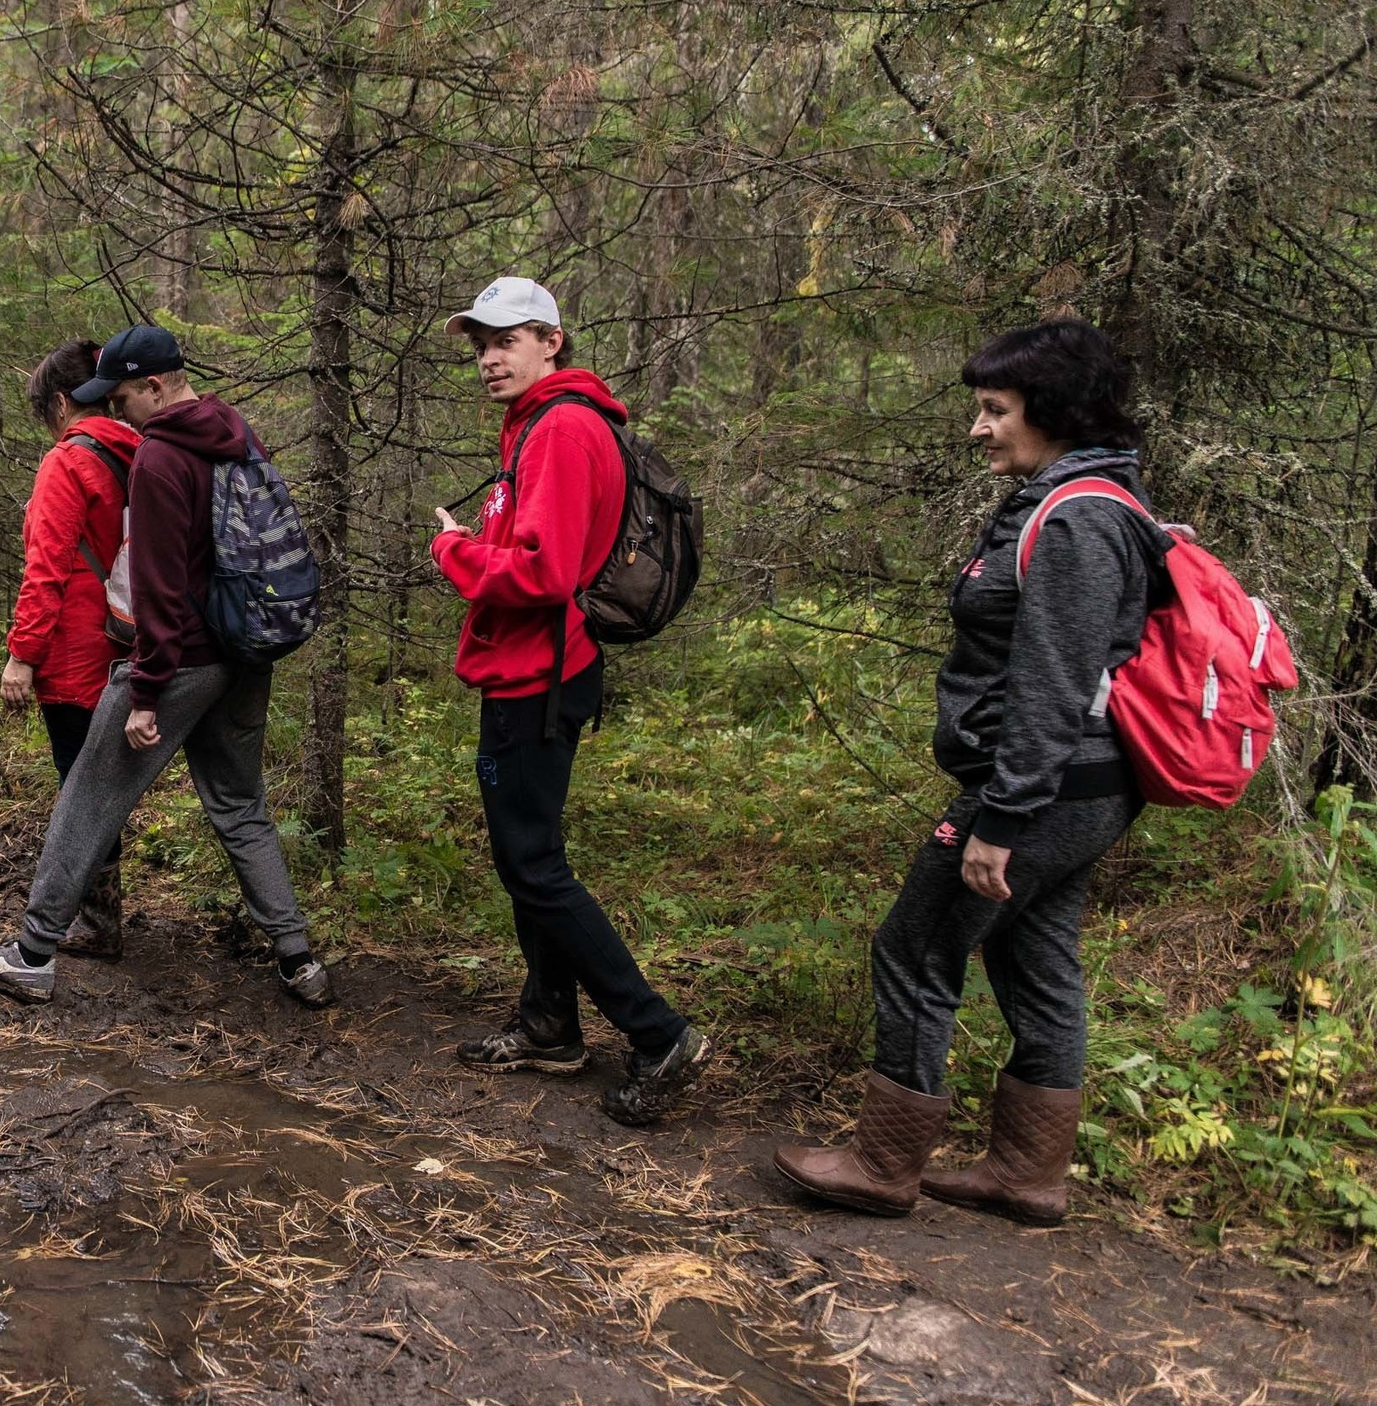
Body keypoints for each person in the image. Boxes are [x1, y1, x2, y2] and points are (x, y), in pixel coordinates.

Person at [777, 320, 1164, 1224]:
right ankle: (1027, 1174)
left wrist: (1002, 815)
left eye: (996, 410)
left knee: (916, 944)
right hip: (1091, 784)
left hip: (1048, 786)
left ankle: (882, 1164)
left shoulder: (1077, 521)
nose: (978, 428)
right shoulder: (1087, 504)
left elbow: (1054, 683)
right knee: (1036, 955)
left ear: (1055, 412)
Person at [0, 325, 335, 1009]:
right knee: (241, 806)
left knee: (88, 798)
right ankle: (299, 959)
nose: (117, 409)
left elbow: (158, 587)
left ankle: (32, 954)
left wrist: (149, 691)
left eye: (124, 395)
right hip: (243, 647)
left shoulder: (161, 457)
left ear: (157, 385)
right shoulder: (233, 430)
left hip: (178, 655)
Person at [429, 278, 709, 1128]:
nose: (488, 356)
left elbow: (546, 574)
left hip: (538, 675)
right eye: (480, 342)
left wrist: (453, 551)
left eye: (506, 338)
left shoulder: (561, 429)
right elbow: (545, 548)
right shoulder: (551, 425)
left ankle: (659, 1034)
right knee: (532, 854)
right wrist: (486, 544)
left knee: (534, 866)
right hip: (537, 667)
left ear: (552, 340)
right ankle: (551, 1024)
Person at [0, 339, 142, 960]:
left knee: (80, 784)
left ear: (61, 402)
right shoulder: (139, 451)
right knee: (103, 780)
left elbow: (47, 569)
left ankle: (93, 920)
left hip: (77, 651)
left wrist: (22, 655)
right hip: (129, 638)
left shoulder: (67, 462)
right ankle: (99, 914)